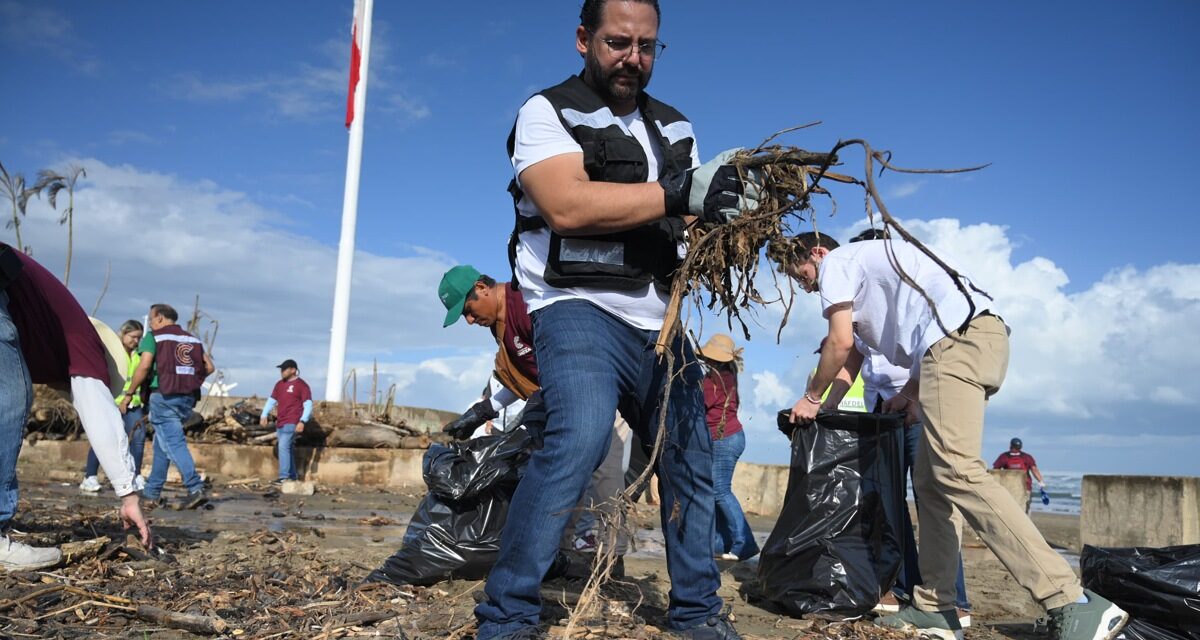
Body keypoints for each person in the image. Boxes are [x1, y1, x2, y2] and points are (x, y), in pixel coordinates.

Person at [474, 0, 762, 636]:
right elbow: (567, 206)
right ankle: (507, 612)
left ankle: (697, 614)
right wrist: (680, 192)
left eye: (648, 46)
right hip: (577, 306)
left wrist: (732, 212)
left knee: (690, 455)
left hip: (659, 320)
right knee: (577, 437)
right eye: (618, 42)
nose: (633, 58)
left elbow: (691, 214)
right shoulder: (547, 111)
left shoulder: (675, 126)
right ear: (584, 39)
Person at [782, 232, 1127, 640]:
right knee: (930, 481)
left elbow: (838, 344)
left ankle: (1069, 598)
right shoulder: (870, 272)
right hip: (962, 342)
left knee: (958, 472)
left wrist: (810, 396)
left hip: (957, 342)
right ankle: (935, 607)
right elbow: (855, 354)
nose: (805, 287)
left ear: (817, 253)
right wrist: (896, 396)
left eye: (800, 274)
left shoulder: (838, 263)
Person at [816, 224, 972, 626]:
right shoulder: (855, 312)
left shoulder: (911, 296)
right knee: (885, 504)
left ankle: (952, 600)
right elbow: (850, 364)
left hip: (919, 408)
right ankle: (903, 587)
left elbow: (927, 346)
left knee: (934, 501)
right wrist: (823, 407)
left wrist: (915, 398)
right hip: (882, 412)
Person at [438, 265, 631, 570]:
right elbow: (520, 378)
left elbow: (572, 355)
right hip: (562, 399)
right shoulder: (500, 327)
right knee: (565, 476)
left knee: (604, 476)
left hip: (599, 389)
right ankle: (563, 555)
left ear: (482, 287)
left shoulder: (528, 301)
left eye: (468, 310)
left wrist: (540, 404)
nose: (470, 320)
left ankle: (612, 559)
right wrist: (483, 411)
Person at [1, 243, 151, 570]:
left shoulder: (45, 319)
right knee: (10, 395)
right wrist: (128, 494)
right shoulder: (83, 340)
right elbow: (101, 419)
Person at [122, 303, 214, 510]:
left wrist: (129, 394)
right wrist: (192, 381)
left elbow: (145, 366)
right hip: (187, 398)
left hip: (163, 396)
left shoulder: (154, 337)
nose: (151, 323)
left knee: (174, 442)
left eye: (152, 319)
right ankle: (152, 493)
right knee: (161, 444)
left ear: (160, 318)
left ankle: (195, 488)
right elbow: (209, 366)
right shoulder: (191, 339)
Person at [697, 334, 758, 563]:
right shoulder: (727, 376)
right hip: (728, 437)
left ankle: (744, 544)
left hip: (724, 439)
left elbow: (699, 404)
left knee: (720, 490)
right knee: (716, 491)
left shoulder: (715, 380)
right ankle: (722, 544)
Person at [80, 320, 148, 492]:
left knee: (138, 439)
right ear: (123, 334)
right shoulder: (113, 353)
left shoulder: (138, 356)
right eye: (133, 337)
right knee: (103, 438)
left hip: (133, 404)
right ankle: (90, 476)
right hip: (113, 402)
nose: (136, 341)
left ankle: (136, 476)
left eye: (139, 338)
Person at [259, 359, 313, 484]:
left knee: (283, 446)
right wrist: (264, 414)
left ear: (293, 370)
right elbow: (272, 400)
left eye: (284, 369)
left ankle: (284, 477)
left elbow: (308, 404)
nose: (282, 372)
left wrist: (302, 421)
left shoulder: (302, 385)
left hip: (293, 421)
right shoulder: (279, 384)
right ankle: (292, 476)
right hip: (281, 422)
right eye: (281, 369)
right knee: (287, 448)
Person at [993, 437, 1046, 512]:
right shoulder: (1027, 457)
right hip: (1025, 487)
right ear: (1021, 447)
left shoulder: (1004, 456)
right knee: (1025, 509)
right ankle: (1025, 522)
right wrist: (1041, 482)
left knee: (1009, 508)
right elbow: (1034, 470)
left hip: (1008, 488)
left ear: (1010, 446)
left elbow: (995, 471)